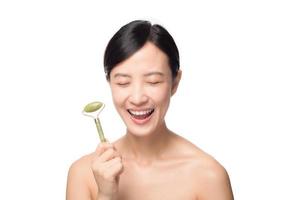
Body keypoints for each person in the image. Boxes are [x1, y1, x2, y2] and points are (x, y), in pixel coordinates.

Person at [66, 20, 234, 200]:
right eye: (123, 82)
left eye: (153, 81)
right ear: (110, 84)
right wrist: (106, 194)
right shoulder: (83, 174)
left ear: (175, 82)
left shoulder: (208, 176)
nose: (137, 98)